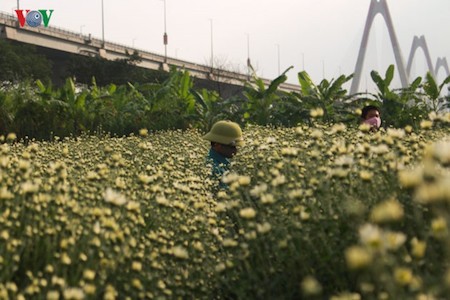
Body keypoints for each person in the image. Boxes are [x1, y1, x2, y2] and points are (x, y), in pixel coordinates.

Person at [202, 120, 243, 190]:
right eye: (232, 147)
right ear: (217, 145)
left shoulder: (224, 163)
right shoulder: (214, 169)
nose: (235, 150)